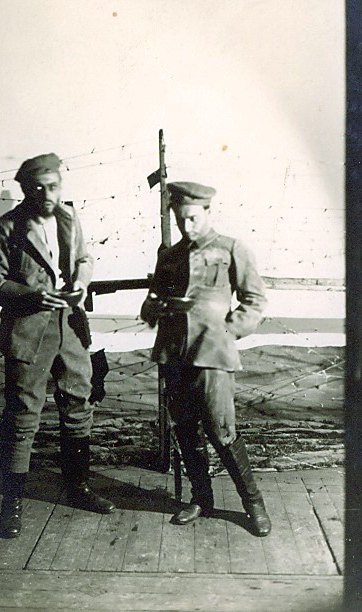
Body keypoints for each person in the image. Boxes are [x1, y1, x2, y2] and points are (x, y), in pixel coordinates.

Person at [0, 153, 115, 538]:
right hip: (28, 331)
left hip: (70, 328)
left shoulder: (69, 218)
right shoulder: (7, 227)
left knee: (79, 405)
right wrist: (33, 295)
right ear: (25, 190)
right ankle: (12, 505)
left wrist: (81, 284)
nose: (47, 194)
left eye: (53, 186)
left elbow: (85, 258)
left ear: (61, 185)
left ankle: (79, 488)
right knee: (23, 416)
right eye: (37, 188)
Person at [140, 181, 271, 536]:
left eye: (194, 218)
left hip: (212, 354)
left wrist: (229, 331)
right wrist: (154, 308)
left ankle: (254, 504)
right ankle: (202, 498)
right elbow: (151, 302)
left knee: (221, 429)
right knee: (184, 428)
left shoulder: (231, 249)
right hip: (174, 354)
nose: (187, 226)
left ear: (208, 212)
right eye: (181, 219)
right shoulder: (169, 256)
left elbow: (255, 300)